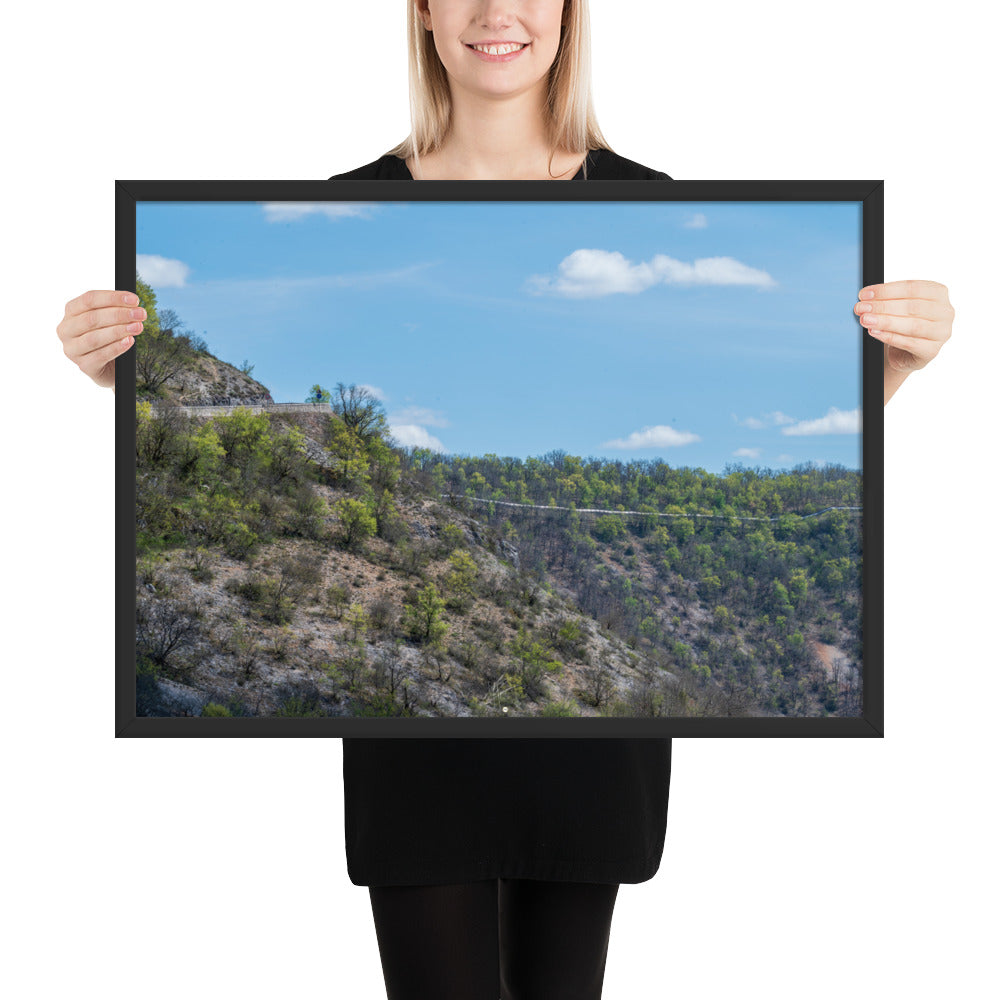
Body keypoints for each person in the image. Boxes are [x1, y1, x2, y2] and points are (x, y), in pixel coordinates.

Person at [56, 2, 954, 997]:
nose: (497, 12)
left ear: (569, 15)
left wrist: (897, 367)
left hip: (586, 759)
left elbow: (789, 419)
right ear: (425, 14)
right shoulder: (349, 207)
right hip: (416, 757)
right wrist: (125, 382)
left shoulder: (645, 202)